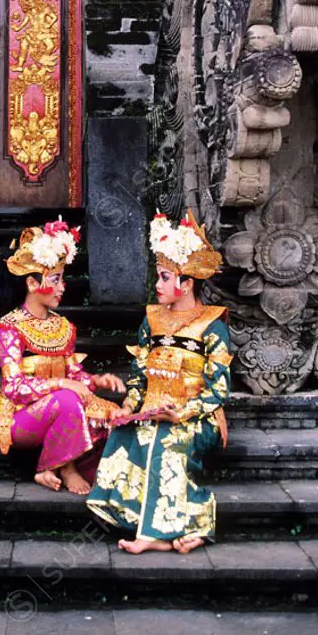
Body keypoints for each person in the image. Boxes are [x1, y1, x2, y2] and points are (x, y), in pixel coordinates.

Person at [87, 210, 232, 554]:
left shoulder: (212, 325)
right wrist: (128, 406)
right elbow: (139, 375)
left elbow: (220, 389)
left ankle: (160, 533)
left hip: (198, 417)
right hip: (152, 409)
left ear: (187, 284)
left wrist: (182, 412)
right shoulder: (151, 320)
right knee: (124, 431)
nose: (157, 285)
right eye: (159, 276)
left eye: (165, 277)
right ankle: (135, 518)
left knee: (167, 437)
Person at [0, 218, 126, 495]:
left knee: (115, 414)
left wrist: (96, 381)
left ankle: (59, 468)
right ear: (31, 283)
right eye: (55, 279)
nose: (63, 287)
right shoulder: (9, 329)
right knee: (68, 399)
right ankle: (64, 468)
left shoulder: (63, 327)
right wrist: (61, 384)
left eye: (62, 279)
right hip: (18, 417)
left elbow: (73, 374)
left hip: (62, 407)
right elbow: (14, 389)